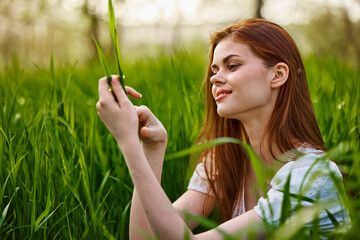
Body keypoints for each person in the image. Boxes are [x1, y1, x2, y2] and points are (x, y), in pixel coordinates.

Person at [96, 18, 349, 239]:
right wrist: (151, 147)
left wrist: (127, 141)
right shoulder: (226, 161)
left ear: (278, 75)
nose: (214, 78)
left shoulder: (312, 175)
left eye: (233, 66)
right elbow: (145, 238)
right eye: (214, 69)